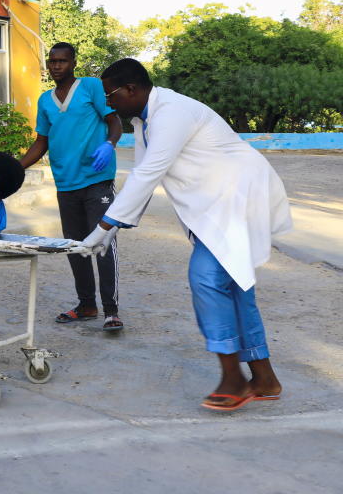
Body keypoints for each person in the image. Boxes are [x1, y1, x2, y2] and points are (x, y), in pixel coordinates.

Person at [82, 58, 291, 411]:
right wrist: (112, 230)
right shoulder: (145, 122)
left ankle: (233, 378)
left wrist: (103, 226)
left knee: (206, 277)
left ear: (131, 90)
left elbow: (147, 174)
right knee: (236, 286)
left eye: (110, 94)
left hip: (239, 197)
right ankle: (265, 378)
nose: (108, 103)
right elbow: (146, 181)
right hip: (219, 204)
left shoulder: (171, 112)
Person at [17, 42, 125, 330]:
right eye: (52, 61)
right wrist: (16, 169)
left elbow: (115, 121)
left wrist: (109, 144)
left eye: (62, 61)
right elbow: (41, 142)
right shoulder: (44, 100)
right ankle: (87, 305)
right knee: (75, 247)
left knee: (102, 243)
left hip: (96, 180)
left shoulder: (91, 87)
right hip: (66, 184)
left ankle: (111, 311)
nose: (56, 66)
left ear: (73, 62)